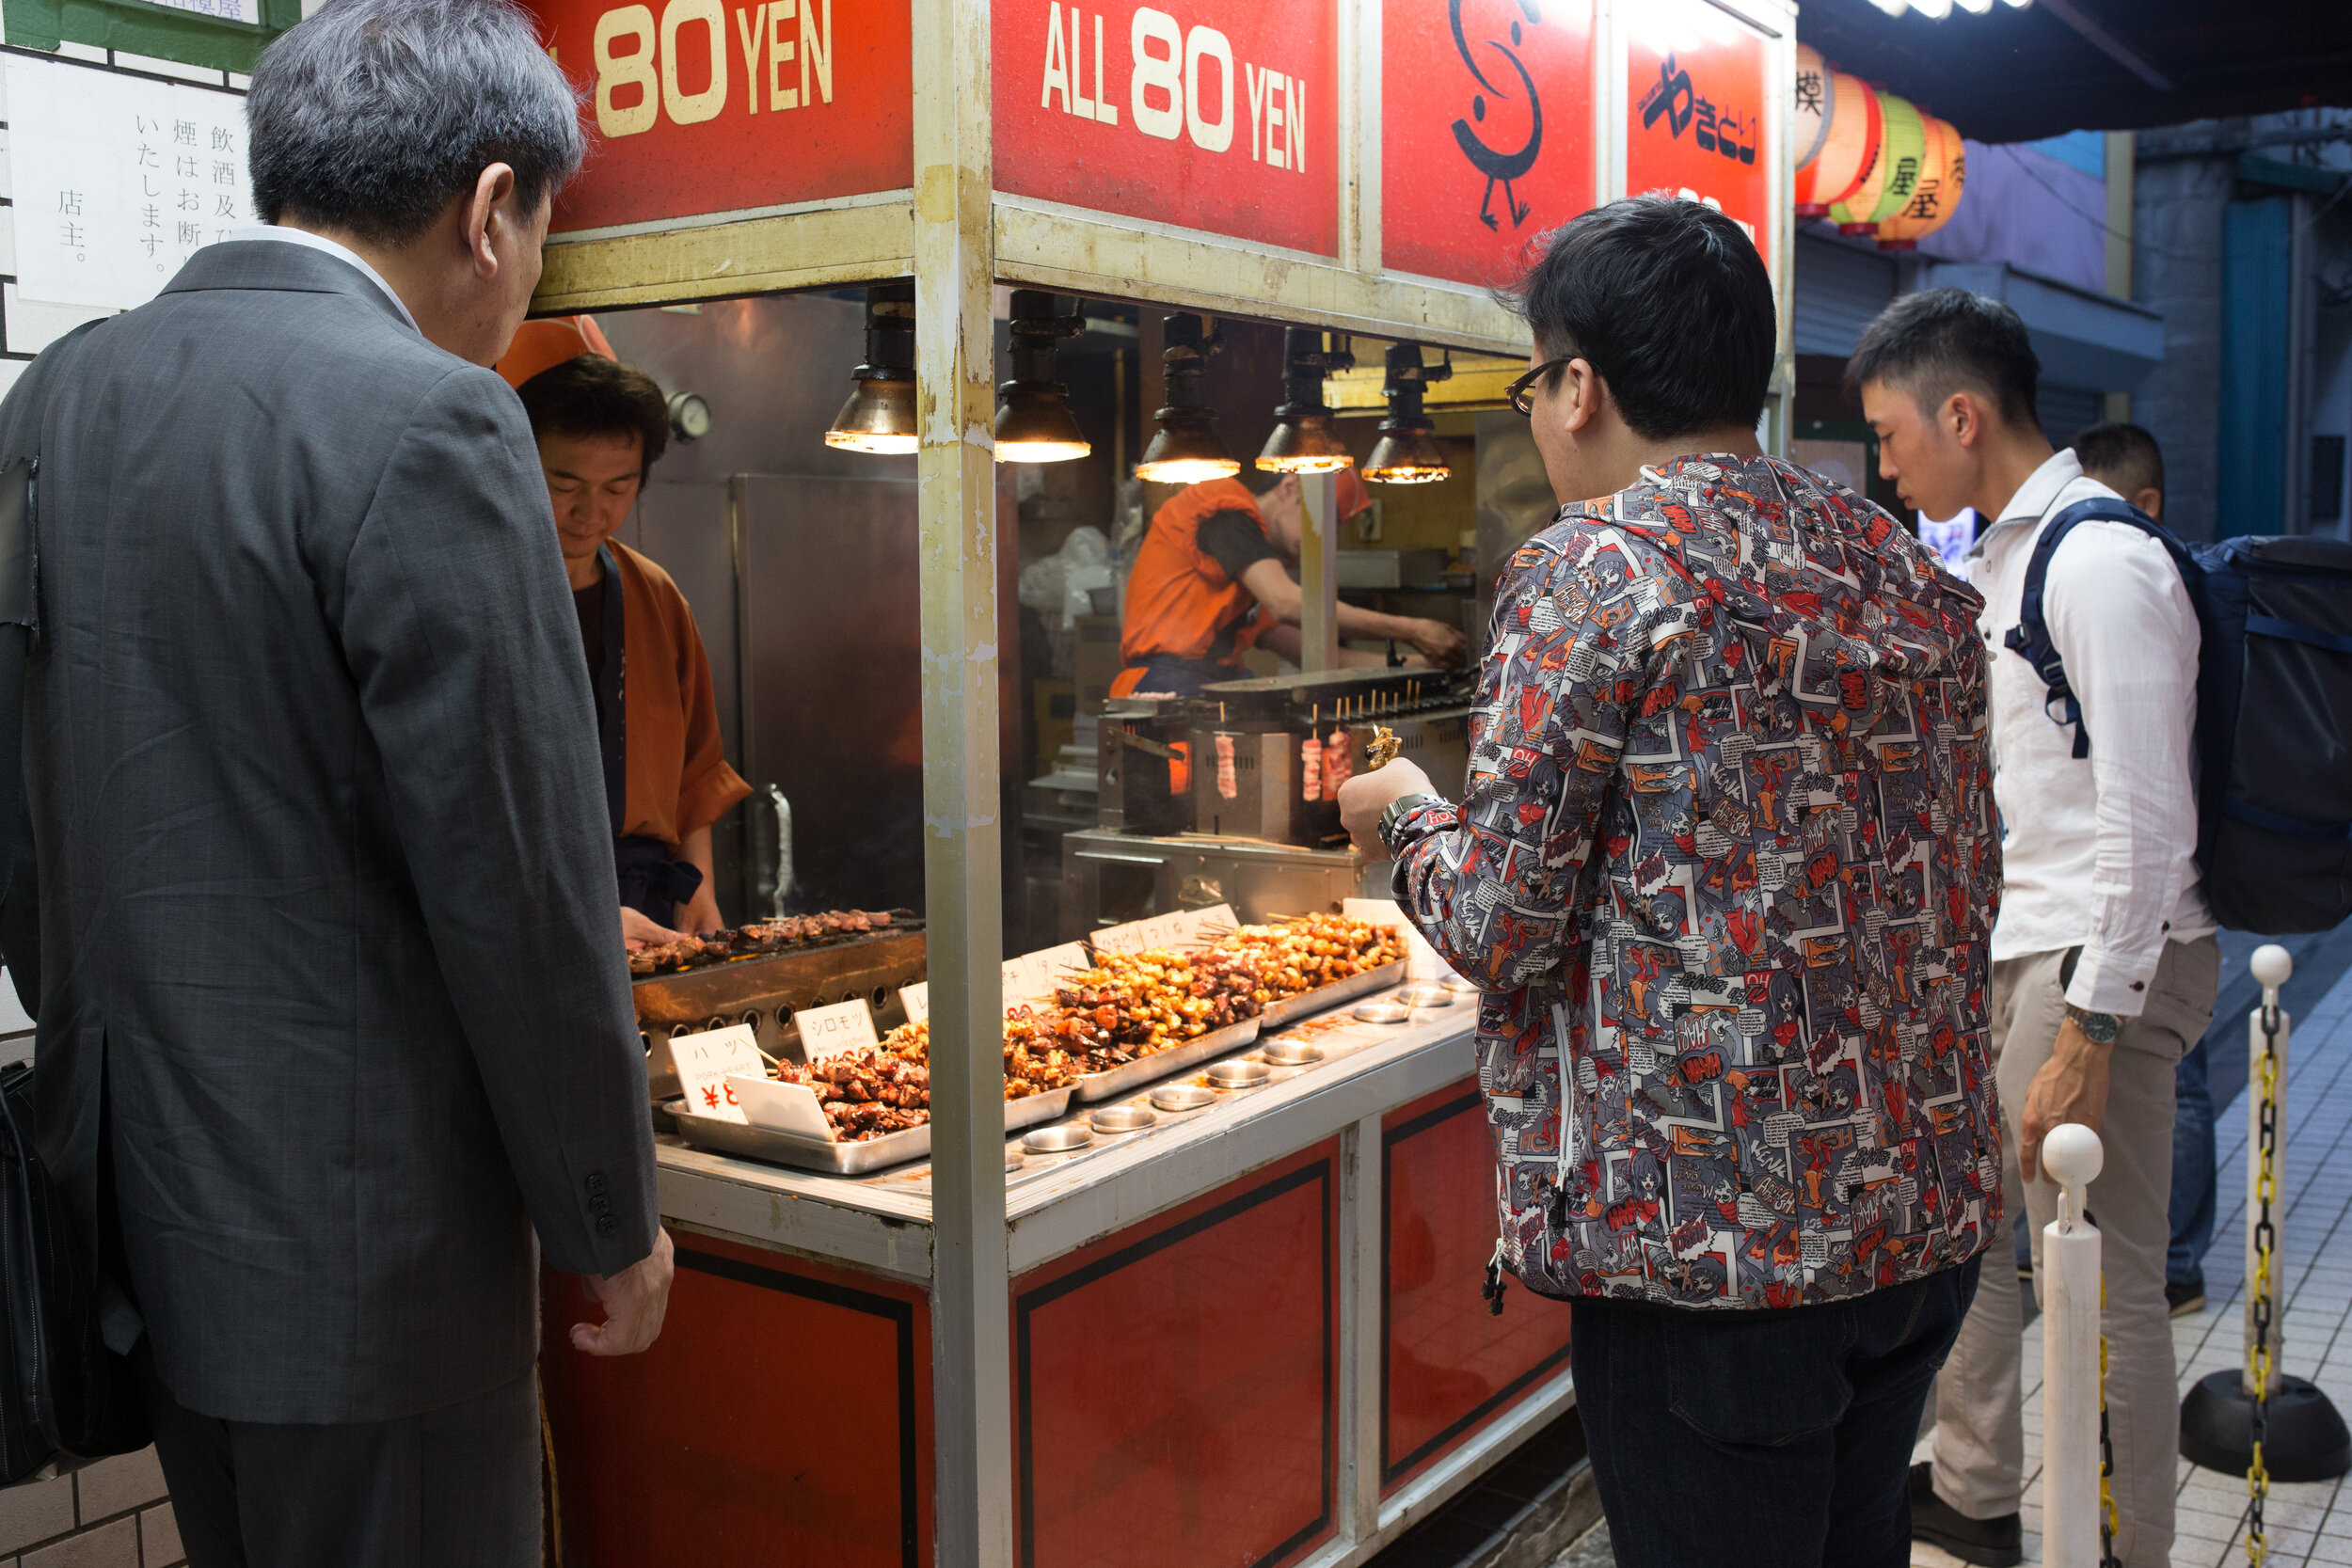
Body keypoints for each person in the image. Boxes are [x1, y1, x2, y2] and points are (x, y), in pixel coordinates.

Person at [0, 1, 674, 1562]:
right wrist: (606, 1214)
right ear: (493, 207)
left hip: (144, 1247)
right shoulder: (433, 417)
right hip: (383, 1285)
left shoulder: (60, 401)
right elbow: (523, 879)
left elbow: (22, 824)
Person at [1336, 196, 2003, 1567]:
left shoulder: (1596, 570)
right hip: (1917, 1214)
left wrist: (1403, 814)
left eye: (1532, 385)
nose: (1535, 416)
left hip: (1715, 1246)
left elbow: (1497, 918)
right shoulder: (1895, 563)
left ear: (1578, 385)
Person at [1852, 297, 2216, 1568]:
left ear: (1963, 414)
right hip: (2044, 951)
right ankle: (1979, 1481)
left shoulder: (2100, 560)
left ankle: (2131, 1545)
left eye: (1892, 434)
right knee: (1984, 1233)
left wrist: (2092, 1023)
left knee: (2109, 1274)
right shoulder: (2007, 557)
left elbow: (2146, 814)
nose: (1886, 465)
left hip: (2101, 961)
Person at [498, 324, 752, 945]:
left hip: (648, 906)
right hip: (523, 901)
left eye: (618, 487)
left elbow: (696, 772)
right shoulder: (484, 593)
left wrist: (699, 889)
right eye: (565, 485)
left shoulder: (656, 597)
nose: (593, 512)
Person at [2069, 420, 2217, 1319]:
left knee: (2180, 1089)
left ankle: (2180, 1259)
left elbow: (2148, 804)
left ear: (2143, 504)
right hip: (2153, 916)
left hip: (2164, 920)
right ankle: (2163, 1254)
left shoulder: (2129, 578)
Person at [1112, 467, 1468, 695]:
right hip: (1161, 690)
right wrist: (1414, 629)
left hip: (1211, 684)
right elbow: (1288, 602)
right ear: (1289, 486)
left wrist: (1430, 667)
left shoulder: (1246, 582)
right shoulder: (1224, 510)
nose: (1319, 542)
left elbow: (1323, 653)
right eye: (1319, 523)